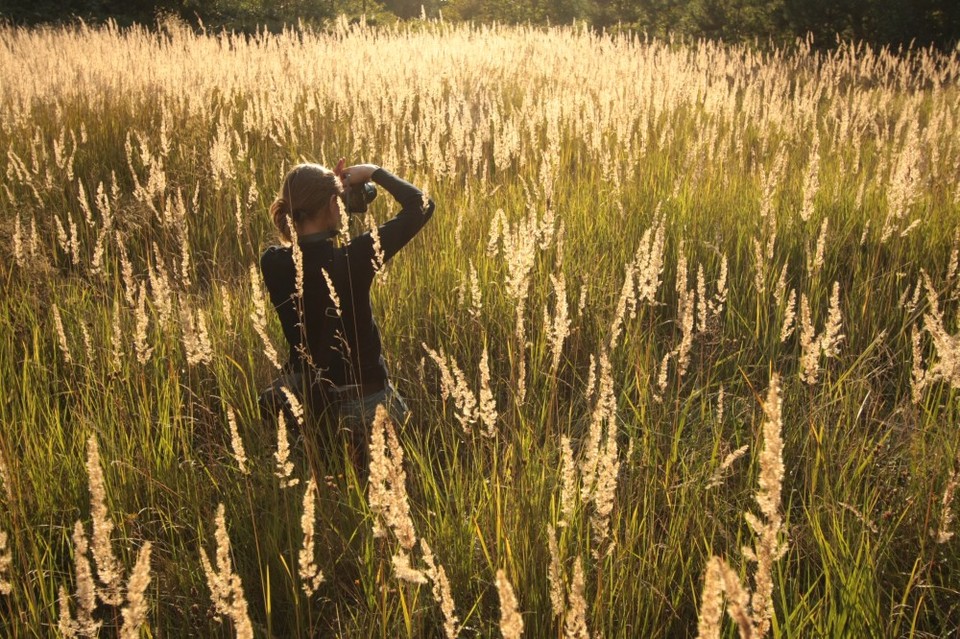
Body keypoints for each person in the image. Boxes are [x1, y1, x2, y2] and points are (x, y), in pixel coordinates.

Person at [258, 159, 435, 462]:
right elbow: (421, 204)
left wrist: (332, 207)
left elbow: (307, 247)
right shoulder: (354, 259)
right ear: (331, 204)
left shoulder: (272, 263)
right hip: (370, 405)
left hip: (313, 409)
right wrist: (372, 172)